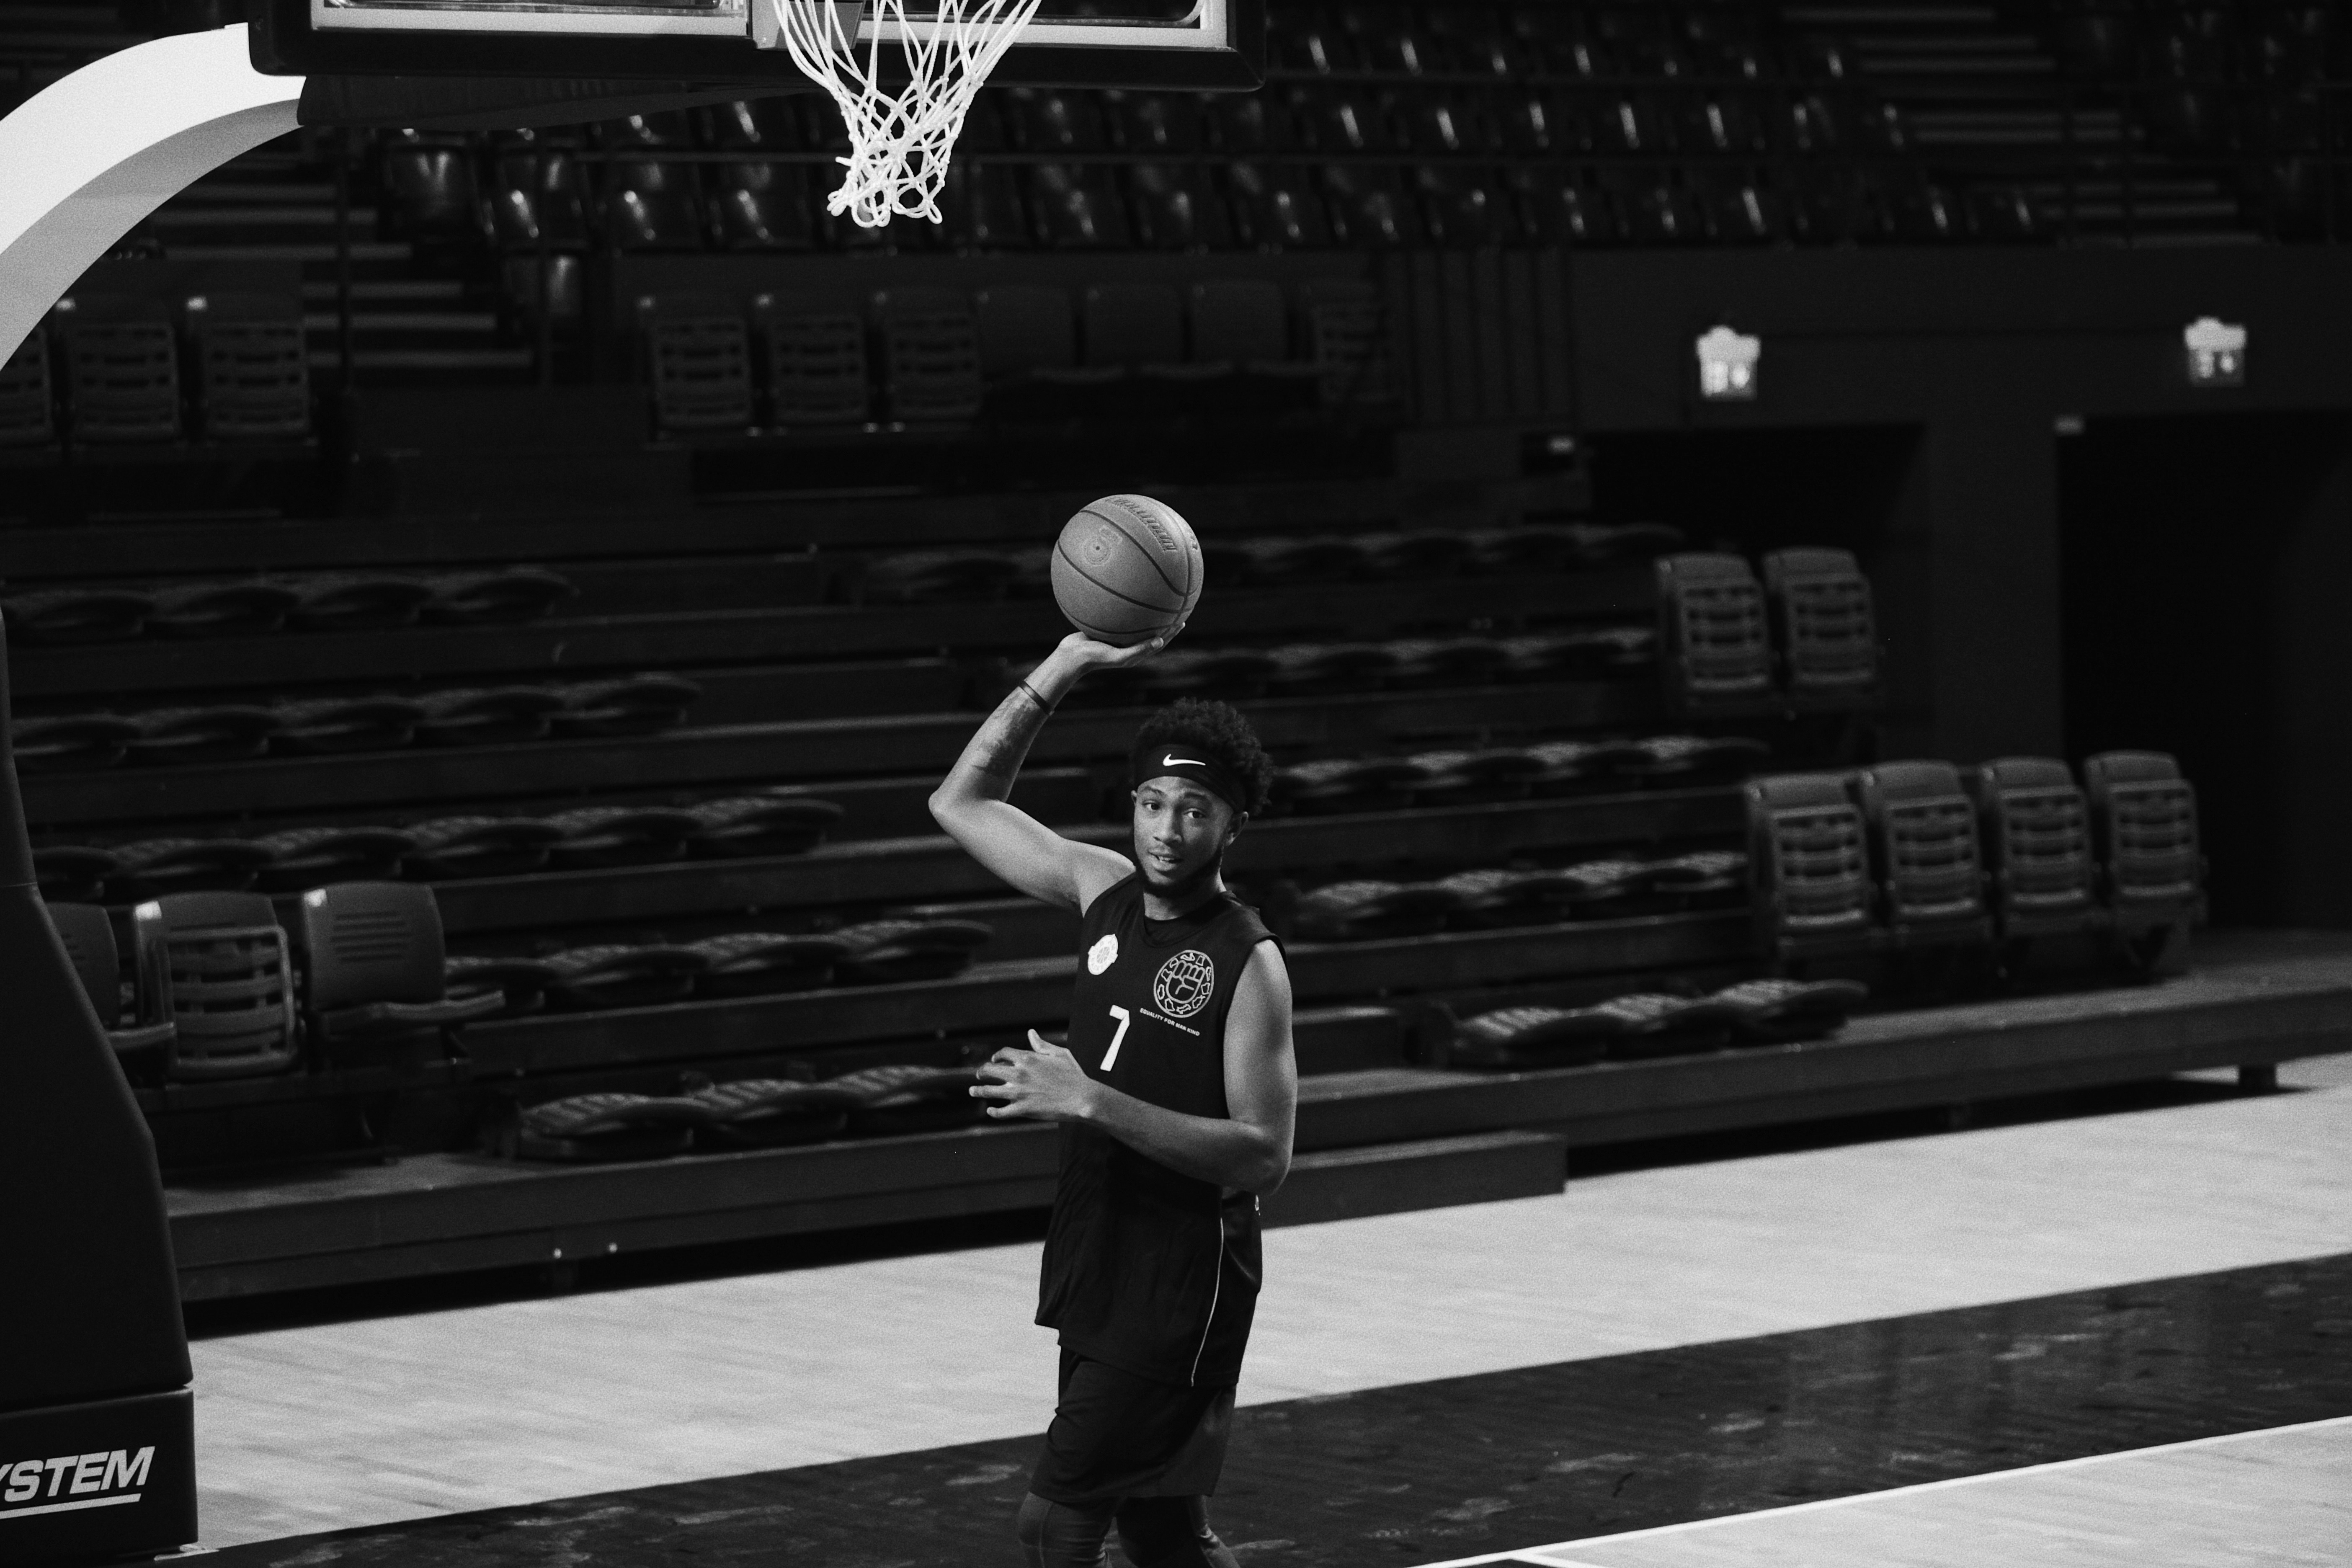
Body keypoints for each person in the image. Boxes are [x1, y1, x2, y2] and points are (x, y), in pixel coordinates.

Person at [929, 630, 1296, 1568]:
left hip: (1182, 1280)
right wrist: (1062, 666)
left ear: (1234, 826)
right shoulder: (1104, 890)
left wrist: (1093, 1102)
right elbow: (960, 802)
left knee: (1055, 1522)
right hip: (1099, 1251)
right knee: (1158, 1526)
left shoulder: (1247, 963)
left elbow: (1263, 1154)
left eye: (1196, 811)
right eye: (1153, 803)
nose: (1168, 831)